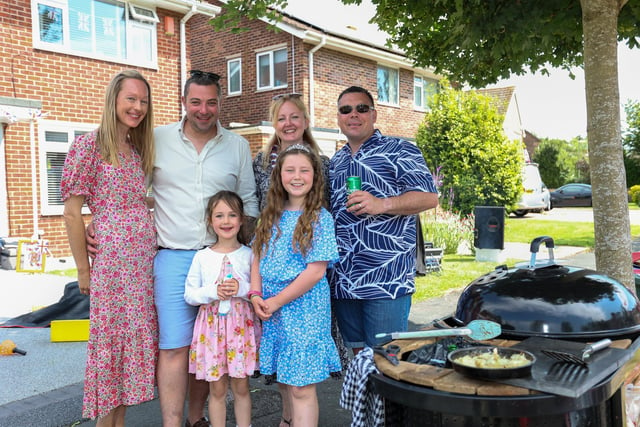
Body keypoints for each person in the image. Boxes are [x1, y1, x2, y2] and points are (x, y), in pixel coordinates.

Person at [86, 70, 259, 427]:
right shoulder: (157, 139)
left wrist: (244, 256)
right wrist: (99, 220)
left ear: (219, 103)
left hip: (221, 257)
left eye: (211, 102)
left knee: (208, 346)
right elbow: (129, 189)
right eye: (195, 101)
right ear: (183, 102)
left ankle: (197, 419)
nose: (204, 109)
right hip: (173, 257)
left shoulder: (238, 146)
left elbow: (249, 203)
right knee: (175, 347)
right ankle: (171, 423)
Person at [61, 69, 158, 426]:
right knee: (110, 350)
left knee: (130, 353)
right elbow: (72, 213)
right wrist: (83, 270)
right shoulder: (89, 145)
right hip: (112, 266)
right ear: (114, 99)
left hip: (142, 266)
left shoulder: (135, 149)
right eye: (131, 98)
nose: (137, 107)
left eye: (143, 101)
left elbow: (134, 200)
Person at [252, 93, 349, 426]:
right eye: (289, 170)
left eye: (303, 171)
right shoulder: (271, 216)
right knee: (285, 378)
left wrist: (276, 300)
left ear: (314, 175)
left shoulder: (320, 218)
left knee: (302, 387)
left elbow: (315, 271)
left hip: (303, 309)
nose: (296, 176)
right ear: (278, 175)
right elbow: (256, 257)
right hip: (272, 309)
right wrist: (255, 295)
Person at [329, 85, 439, 355]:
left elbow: (429, 197)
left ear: (374, 115)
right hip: (344, 280)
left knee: (388, 360)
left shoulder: (400, 149)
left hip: (386, 281)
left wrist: (383, 204)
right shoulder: (336, 161)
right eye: (346, 109)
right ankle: (363, 400)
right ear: (339, 117)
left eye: (361, 108)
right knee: (359, 359)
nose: (353, 114)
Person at [184, 191, 261, 427]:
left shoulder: (249, 255)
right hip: (212, 332)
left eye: (231, 215)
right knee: (216, 389)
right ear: (210, 221)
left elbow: (258, 292)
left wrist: (241, 288)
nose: (226, 221)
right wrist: (212, 291)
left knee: (241, 386)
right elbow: (190, 295)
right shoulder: (201, 257)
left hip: (240, 330)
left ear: (241, 220)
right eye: (219, 215)